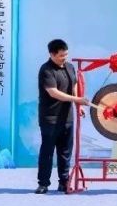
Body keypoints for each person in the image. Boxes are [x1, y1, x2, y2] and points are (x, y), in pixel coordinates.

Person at [35, 39, 90, 194]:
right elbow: (53, 92)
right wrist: (77, 100)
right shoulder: (46, 70)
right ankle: (43, 183)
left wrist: (78, 105)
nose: (64, 58)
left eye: (66, 54)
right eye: (61, 55)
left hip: (67, 117)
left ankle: (64, 182)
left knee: (65, 152)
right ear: (52, 54)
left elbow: (74, 85)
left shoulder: (70, 67)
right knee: (47, 151)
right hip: (50, 118)